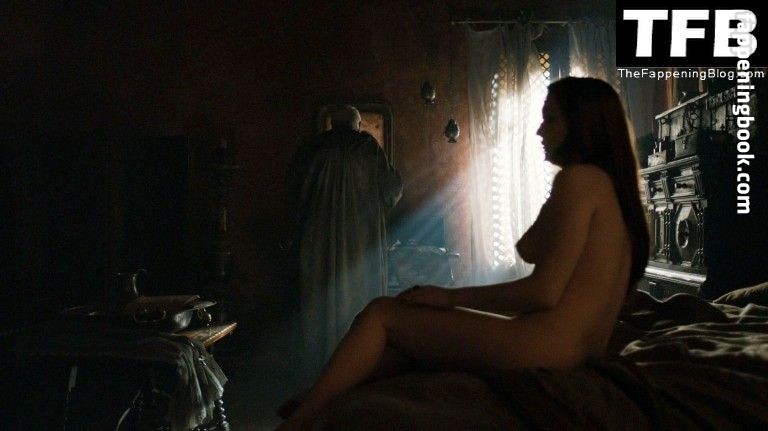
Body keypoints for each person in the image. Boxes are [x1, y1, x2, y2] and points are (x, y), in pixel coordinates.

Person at [277, 78, 650, 430]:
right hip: (572, 348)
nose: (540, 131)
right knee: (406, 346)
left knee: (381, 313)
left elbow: (542, 292)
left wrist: (449, 297)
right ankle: (324, 399)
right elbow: (529, 247)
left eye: (550, 119)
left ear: (581, 125)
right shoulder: (610, 190)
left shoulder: (578, 180)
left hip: (545, 347)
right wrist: (554, 200)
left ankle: (298, 421)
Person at [287, 104, 403, 379]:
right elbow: (391, 191)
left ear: (332, 124)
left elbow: (295, 194)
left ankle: (319, 373)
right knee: (360, 299)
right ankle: (358, 368)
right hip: (362, 242)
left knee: (321, 302)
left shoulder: (314, 150)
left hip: (319, 244)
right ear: (358, 124)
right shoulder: (369, 149)